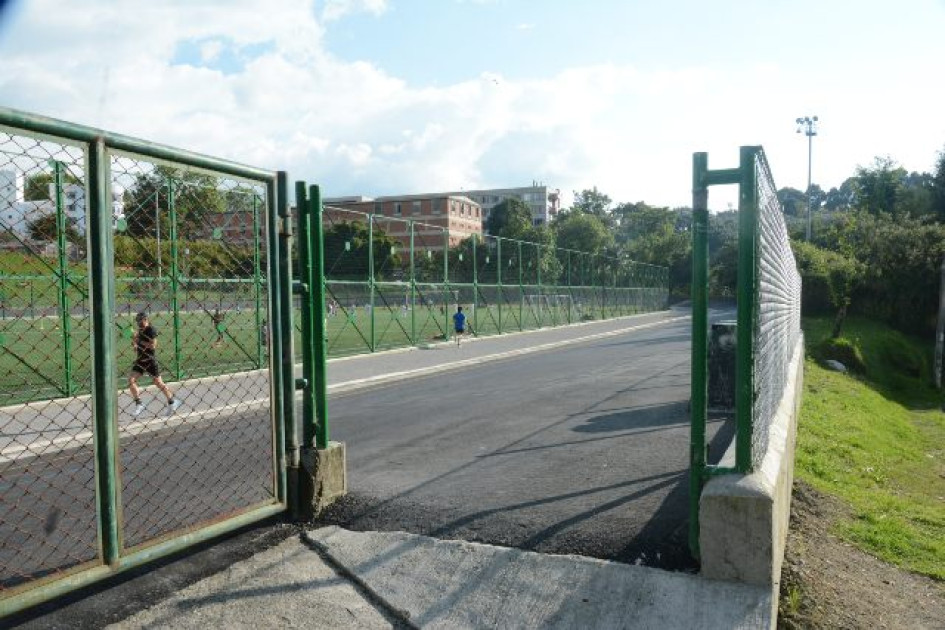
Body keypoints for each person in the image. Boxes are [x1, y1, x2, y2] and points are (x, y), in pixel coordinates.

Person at [129, 312, 180, 417]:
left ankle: (172, 401)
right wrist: (134, 343)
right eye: (137, 321)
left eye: (140, 320)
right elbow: (136, 347)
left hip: (150, 360)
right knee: (131, 380)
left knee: (158, 383)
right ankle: (139, 404)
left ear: (146, 319)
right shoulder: (140, 331)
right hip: (140, 361)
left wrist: (138, 341)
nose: (139, 323)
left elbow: (153, 346)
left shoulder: (151, 330)